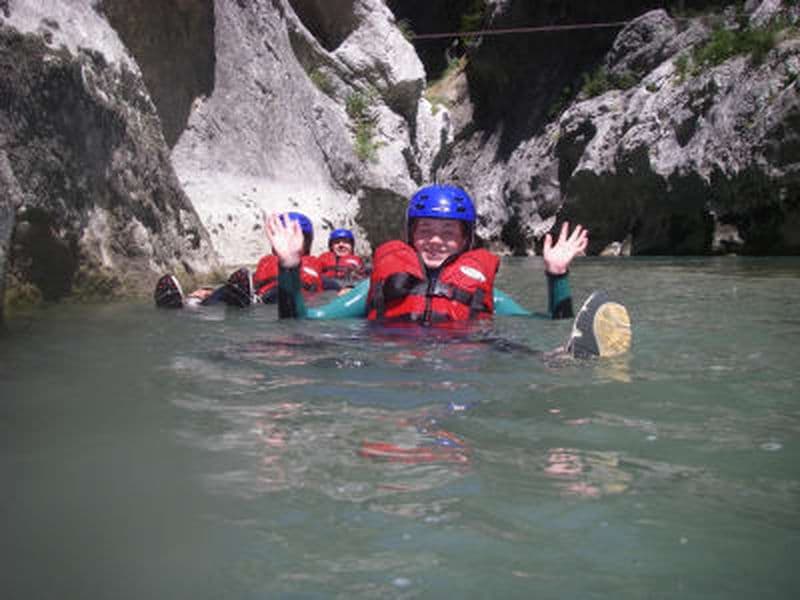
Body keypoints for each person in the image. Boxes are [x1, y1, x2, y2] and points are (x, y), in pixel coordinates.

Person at [265, 184, 631, 358]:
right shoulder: (376, 288)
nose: (435, 241)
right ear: (410, 235)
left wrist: (557, 274)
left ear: (466, 239)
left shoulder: (484, 293)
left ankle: (566, 358)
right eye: (425, 230)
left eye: (448, 233)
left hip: (460, 359)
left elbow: (551, 322)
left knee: (513, 350)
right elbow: (301, 320)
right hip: (389, 358)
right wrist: (290, 267)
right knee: (300, 349)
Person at [154, 212, 323, 308]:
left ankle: (248, 300)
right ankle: (192, 304)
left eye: (294, 236)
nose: (287, 241)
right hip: (256, 298)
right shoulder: (267, 262)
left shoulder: (313, 263)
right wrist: (209, 291)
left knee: (281, 289)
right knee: (230, 289)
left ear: (306, 242)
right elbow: (250, 283)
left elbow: (327, 284)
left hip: (284, 297)